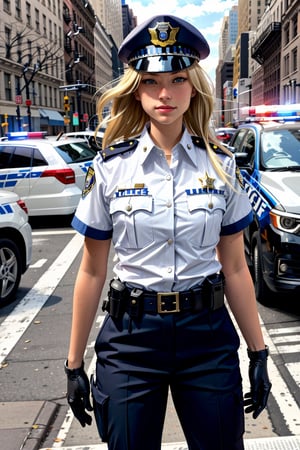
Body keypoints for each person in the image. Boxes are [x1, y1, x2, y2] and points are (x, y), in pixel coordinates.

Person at [64, 14, 271, 450]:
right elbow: (91, 271)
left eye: (177, 79)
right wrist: (72, 364)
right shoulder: (110, 169)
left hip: (206, 337)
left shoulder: (221, 165)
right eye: (152, 81)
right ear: (135, 89)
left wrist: (258, 352)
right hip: (131, 339)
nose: (165, 93)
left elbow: (234, 268)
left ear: (193, 87)